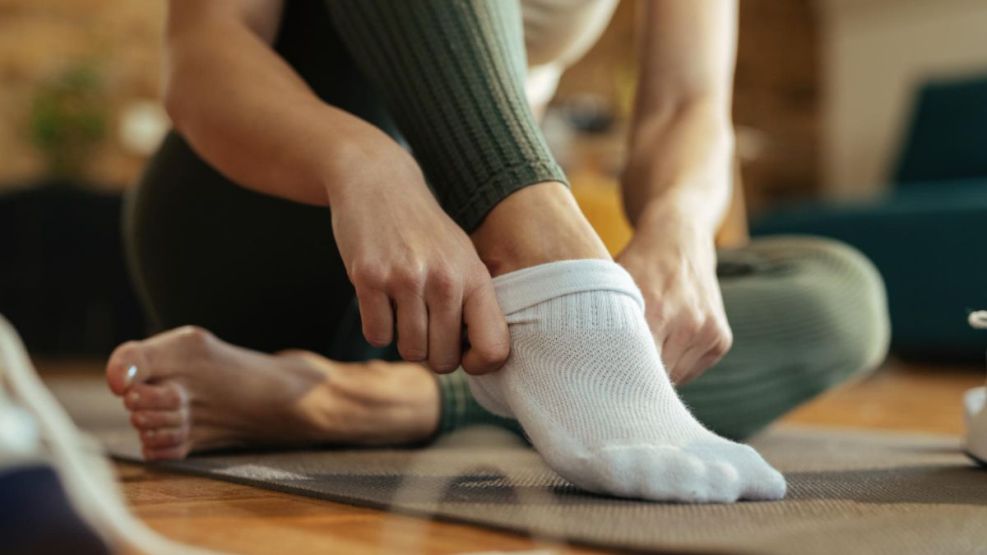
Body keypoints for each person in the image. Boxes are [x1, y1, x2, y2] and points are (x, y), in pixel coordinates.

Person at [105, 0, 889, 503]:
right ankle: (557, 281)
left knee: (840, 293)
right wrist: (365, 164)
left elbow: (686, 103)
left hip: (473, 304)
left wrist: (679, 226)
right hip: (279, 214)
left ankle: (357, 401)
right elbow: (204, 51)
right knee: (567, 293)